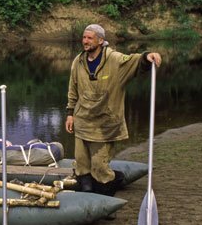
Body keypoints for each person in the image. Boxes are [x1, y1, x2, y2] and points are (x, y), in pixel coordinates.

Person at [65, 24, 162, 195]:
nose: (85, 41)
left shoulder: (115, 60)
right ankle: (87, 196)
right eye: (84, 37)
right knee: (81, 165)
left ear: (101, 41)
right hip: (82, 122)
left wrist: (148, 57)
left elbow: (135, 62)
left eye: (89, 38)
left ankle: (108, 195)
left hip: (105, 126)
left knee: (99, 167)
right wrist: (70, 114)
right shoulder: (78, 62)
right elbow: (73, 90)